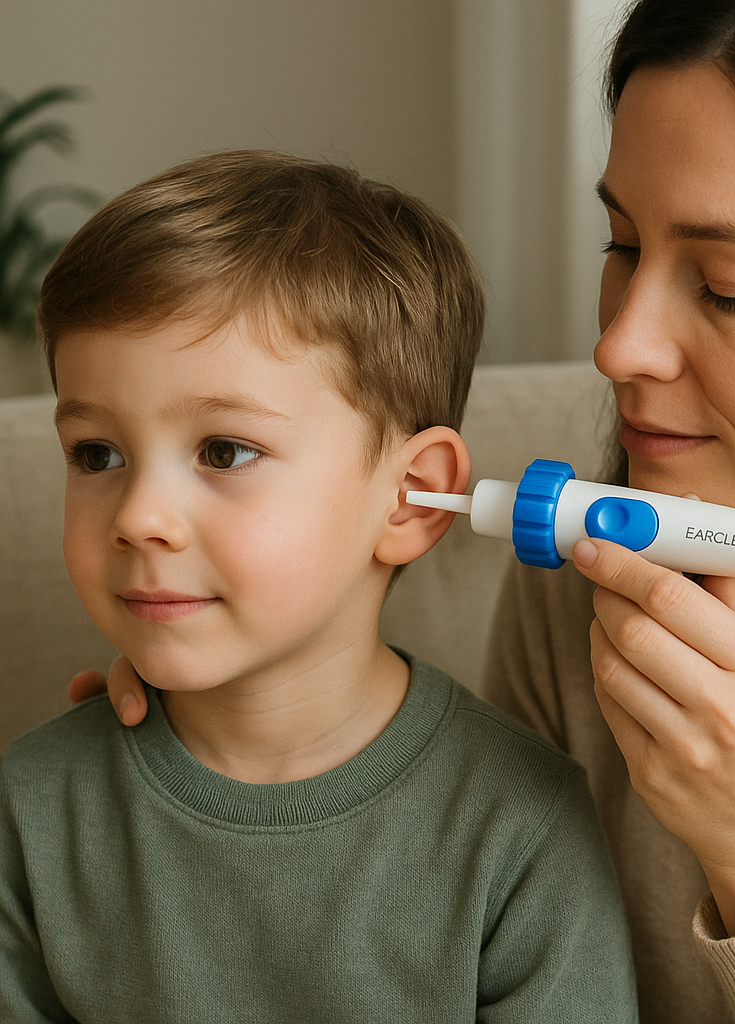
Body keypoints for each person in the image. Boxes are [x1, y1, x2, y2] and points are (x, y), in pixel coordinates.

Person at [74, 0, 735, 1019]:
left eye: (730, 287)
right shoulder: (583, 572)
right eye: (622, 245)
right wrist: (231, 734)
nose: (619, 346)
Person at [0, 150, 640, 1023]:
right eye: (96, 454)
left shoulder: (521, 828)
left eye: (224, 451)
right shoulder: (28, 810)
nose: (139, 516)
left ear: (410, 498)